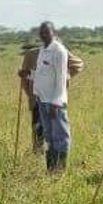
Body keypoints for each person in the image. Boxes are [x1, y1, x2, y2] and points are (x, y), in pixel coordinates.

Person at [19, 42, 85, 154]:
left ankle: (56, 162)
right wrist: (31, 95)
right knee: (38, 131)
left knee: (57, 132)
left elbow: (78, 64)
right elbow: (24, 79)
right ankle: (38, 160)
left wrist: (64, 76)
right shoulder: (31, 54)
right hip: (37, 99)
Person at [30, 22, 71, 172]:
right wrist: (28, 75)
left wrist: (56, 102)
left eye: (47, 32)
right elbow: (43, 73)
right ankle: (51, 169)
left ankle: (59, 170)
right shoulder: (43, 49)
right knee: (48, 136)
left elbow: (61, 79)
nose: (44, 35)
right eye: (41, 32)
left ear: (53, 32)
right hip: (42, 99)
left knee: (60, 135)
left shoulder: (59, 51)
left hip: (54, 102)